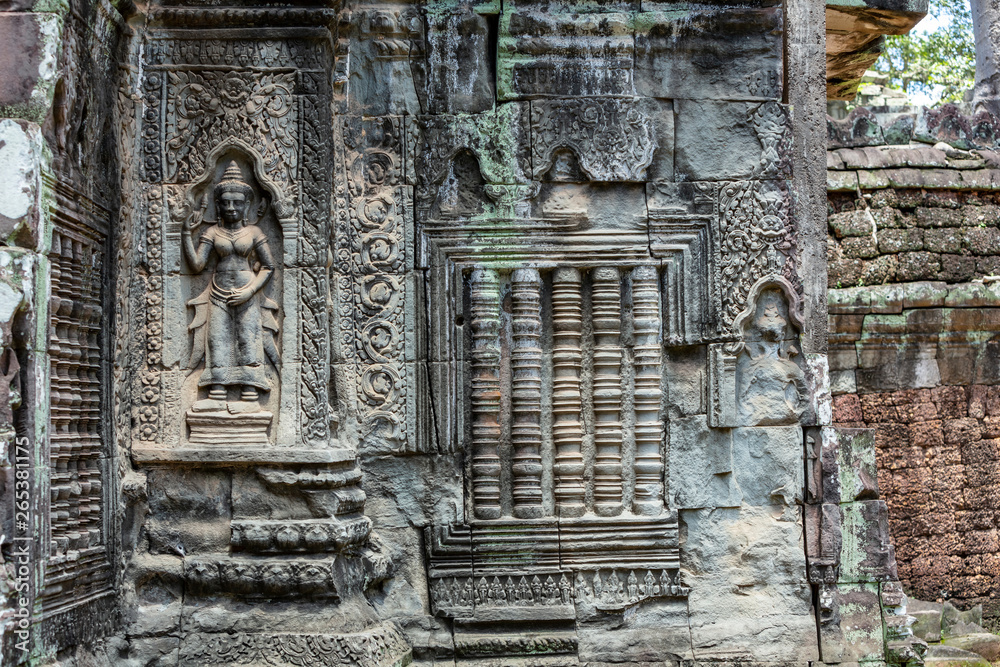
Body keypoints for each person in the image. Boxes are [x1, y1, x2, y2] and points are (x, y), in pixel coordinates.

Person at [184, 160, 279, 412]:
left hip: (248, 293)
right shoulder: (213, 232)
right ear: (218, 205)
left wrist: (250, 290)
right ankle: (217, 393)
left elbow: (268, 266)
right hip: (218, 293)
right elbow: (197, 265)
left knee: (248, 340)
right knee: (217, 340)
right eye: (225, 203)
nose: (231, 208)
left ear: (246, 205)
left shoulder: (254, 232)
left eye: (237, 203)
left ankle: (250, 397)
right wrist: (185, 233)